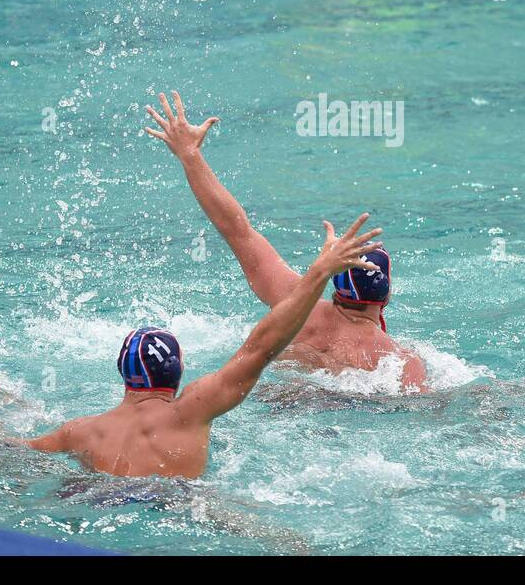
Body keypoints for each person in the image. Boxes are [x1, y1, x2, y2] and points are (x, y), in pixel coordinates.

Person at [27, 213, 382, 479]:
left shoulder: (79, 431)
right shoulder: (190, 410)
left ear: (123, 374)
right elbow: (261, 348)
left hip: (100, 498)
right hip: (175, 503)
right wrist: (319, 272)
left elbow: (16, 452)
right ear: (178, 372)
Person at [145, 91, 427, 391]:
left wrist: (190, 154)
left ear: (334, 279)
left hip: (277, 402)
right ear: (387, 293)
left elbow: (237, 229)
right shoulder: (400, 362)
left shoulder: (291, 304)